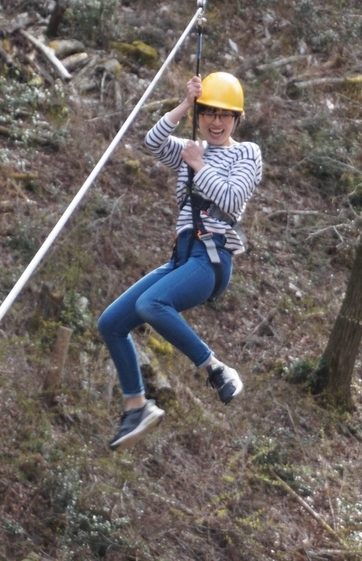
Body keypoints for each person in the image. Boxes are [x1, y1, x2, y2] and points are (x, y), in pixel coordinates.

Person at [98, 72, 263, 451]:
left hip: (212, 256)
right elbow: (152, 141)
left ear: (237, 119)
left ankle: (216, 368)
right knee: (111, 323)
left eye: (224, 115)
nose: (216, 122)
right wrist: (184, 104)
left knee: (151, 304)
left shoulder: (246, 153)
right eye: (208, 113)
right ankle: (137, 406)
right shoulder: (190, 147)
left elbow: (232, 199)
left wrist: (199, 165)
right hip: (182, 255)